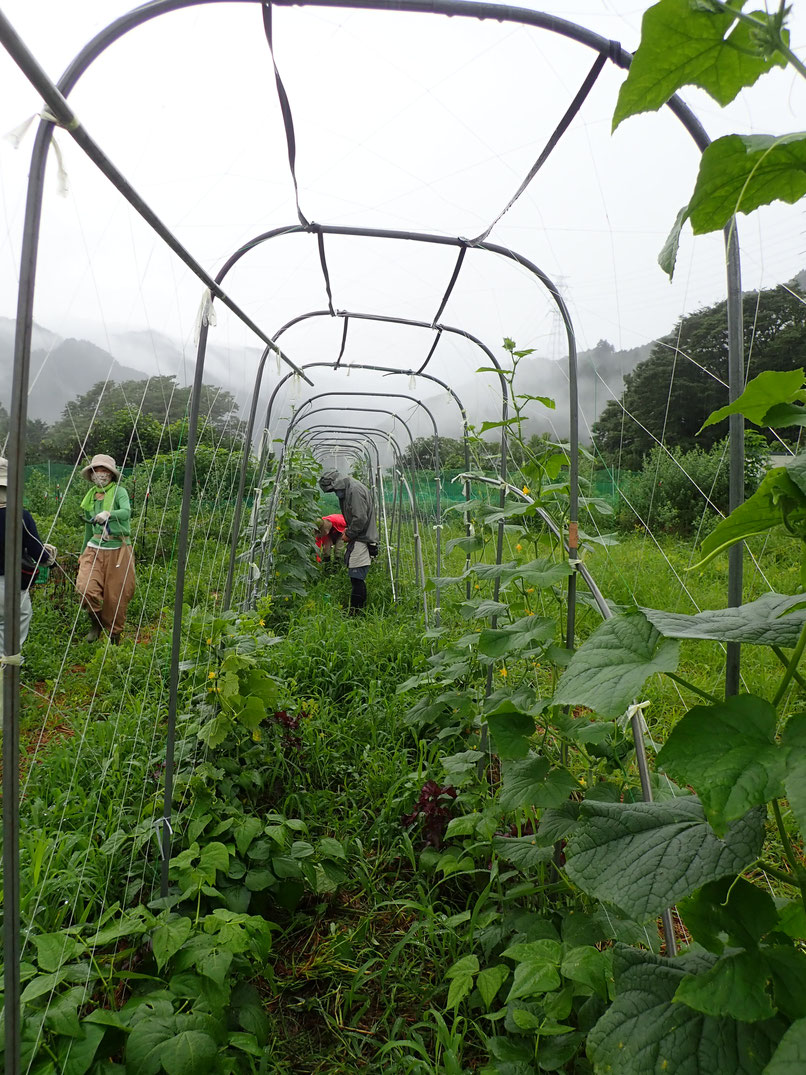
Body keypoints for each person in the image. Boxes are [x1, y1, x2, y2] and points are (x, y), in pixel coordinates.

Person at [75, 454, 136, 645]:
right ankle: (96, 622)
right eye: (96, 470)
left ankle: (114, 635)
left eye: (104, 470)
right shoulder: (90, 497)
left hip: (118, 548)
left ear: (111, 474)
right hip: (94, 548)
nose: (100, 474)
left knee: (115, 596)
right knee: (85, 588)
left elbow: (127, 512)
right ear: (91, 474)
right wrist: (83, 552)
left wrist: (109, 513)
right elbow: (88, 529)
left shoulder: (120, 492)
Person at [0, 457, 56, 655]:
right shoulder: (20, 515)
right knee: (17, 621)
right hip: (9, 583)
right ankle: (8, 670)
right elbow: (35, 548)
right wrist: (50, 560)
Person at [318, 471, 378, 614]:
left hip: (362, 539)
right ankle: (356, 610)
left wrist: (349, 534)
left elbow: (360, 518)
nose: (334, 493)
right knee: (355, 576)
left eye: (333, 490)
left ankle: (356, 613)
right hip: (360, 537)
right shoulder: (350, 488)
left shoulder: (354, 491)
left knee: (357, 577)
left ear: (336, 483)